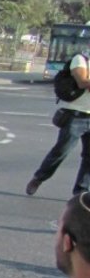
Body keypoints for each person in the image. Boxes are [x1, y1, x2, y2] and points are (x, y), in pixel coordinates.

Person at [27, 42, 90, 196]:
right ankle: (39, 177)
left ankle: (80, 192)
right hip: (76, 115)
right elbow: (82, 82)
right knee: (61, 151)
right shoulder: (81, 60)